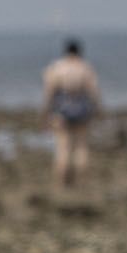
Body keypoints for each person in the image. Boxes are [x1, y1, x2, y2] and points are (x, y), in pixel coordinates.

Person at [42, 39, 102, 187]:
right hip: (82, 110)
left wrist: (46, 113)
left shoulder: (57, 68)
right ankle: (82, 180)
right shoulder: (85, 68)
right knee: (81, 147)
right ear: (79, 52)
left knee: (62, 147)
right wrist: (98, 110)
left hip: (62, 111)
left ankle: (62, 182)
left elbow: (49, 93)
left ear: (65, 52)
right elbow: (94, 92)